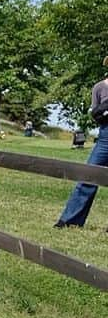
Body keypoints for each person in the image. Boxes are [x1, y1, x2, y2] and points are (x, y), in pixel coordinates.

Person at [55, 61, 108, 228]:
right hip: (106, 136)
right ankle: (70, 221)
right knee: (89, 175)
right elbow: (95, 113)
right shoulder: (99, 87)